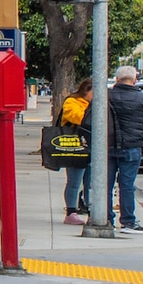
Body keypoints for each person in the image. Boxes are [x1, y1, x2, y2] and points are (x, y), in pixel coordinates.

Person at [106, 65, 143, 234]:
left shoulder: (105, 97)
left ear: (117, 80)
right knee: (127, 185)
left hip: (107, 146)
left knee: (105, 185)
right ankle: (128, 221)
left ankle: (105, 218)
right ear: (135, 80)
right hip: (132, 147)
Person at [59, 82, 93, 225]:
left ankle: (92, 211)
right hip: (76, 146)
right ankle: (71, 212)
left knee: (91, 183)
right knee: (74, 181)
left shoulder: (97, 105)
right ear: (86, 91)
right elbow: (76, 117)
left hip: (93, 147)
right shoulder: (72, 102)